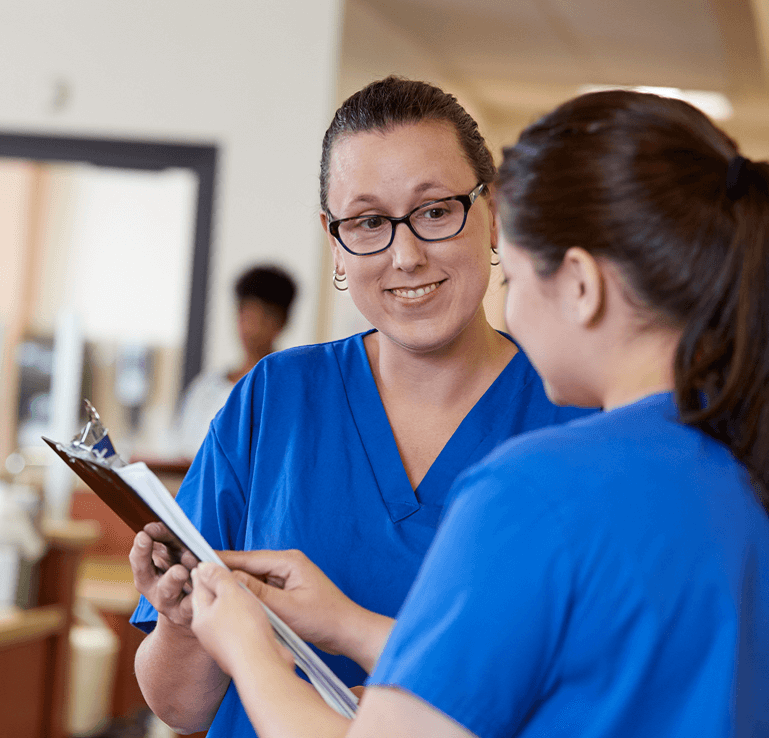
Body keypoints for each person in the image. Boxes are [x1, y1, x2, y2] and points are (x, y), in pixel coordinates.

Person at [186, 88, 769, 737]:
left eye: (512, 279)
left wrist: (248, 649)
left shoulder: (540, 487)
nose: (509, 310)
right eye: (370, 223)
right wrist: (346, 624)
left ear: (579, 285)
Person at [128, 76, 593, 737]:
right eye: (369, 222)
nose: (405, 255)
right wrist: (181, 621)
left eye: (435, 211)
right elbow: (180, 708)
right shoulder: (272, 398)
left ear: (491, 214)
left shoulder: (572, 416)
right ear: (335, 239)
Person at [170, 264, 298, 459]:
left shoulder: (289, 391)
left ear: (281, 323)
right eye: (245, 315)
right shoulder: (206, 388)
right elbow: (182, 452)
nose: (250, 329)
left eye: (262, 317)